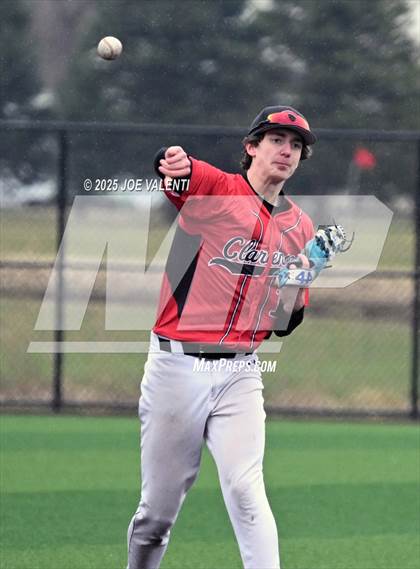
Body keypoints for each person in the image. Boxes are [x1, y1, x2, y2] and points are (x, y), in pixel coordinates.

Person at [126, 105, 317, 569]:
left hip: (241, 371)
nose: (287, 150)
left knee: (247, 490)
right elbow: (177, 171)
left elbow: (282, 321)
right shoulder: (216, 189)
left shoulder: (302, 228)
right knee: (156, 517)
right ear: (251, 147)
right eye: (276, 140)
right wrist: (170, 159)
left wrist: (301, 279)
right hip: (177, 366)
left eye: (295, 145)